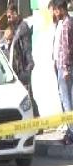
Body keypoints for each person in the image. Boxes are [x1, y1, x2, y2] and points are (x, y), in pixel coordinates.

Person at [7, 3, 38, 117]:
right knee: (24, 97)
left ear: (15, 14)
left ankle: (36, 120)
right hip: (18, 68)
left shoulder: (22, 27)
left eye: (10, 16)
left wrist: (27, 68)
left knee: (28, 96)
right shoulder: (15, 28)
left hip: (24, 67)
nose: (9, 19)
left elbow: (26, 49)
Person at [54, 0, 73, 144]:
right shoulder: (66, 22)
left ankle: (71, 134)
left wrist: (65, 68)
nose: (55, 13)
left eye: (56, 10)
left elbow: (66, 48)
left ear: (61, 9)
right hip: (63, 66)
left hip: (65, 68)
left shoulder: (66, 24)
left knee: (67, 102)